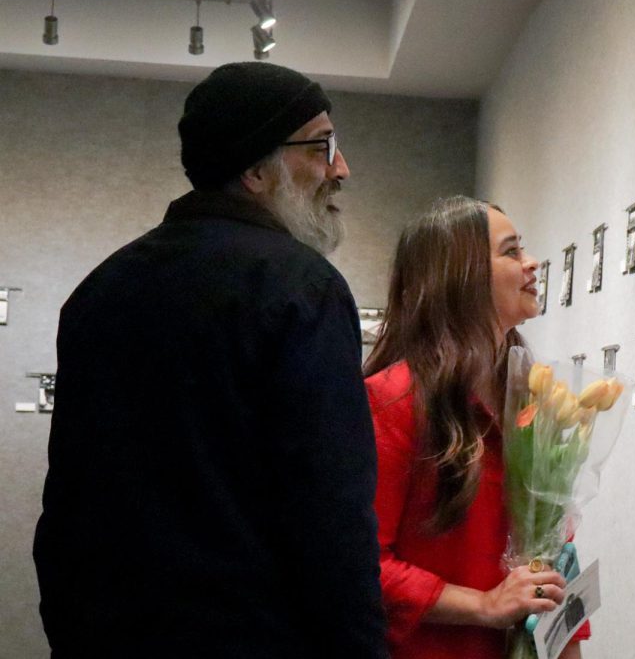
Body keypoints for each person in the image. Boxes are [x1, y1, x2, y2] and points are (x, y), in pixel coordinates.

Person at [33, 62, 387, 658]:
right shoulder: (302, 287)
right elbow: (331, 516)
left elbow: (68, 509)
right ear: (254, 169)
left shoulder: (101, 288)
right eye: (322, 145)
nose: (341, 168)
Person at [363, 196, 588, 658]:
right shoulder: (392, 399)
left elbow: (551, 556)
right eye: (511, 252)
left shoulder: (534, 396)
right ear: (460, 275)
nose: (532, 263)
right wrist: (485, 605)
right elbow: (363, 564)